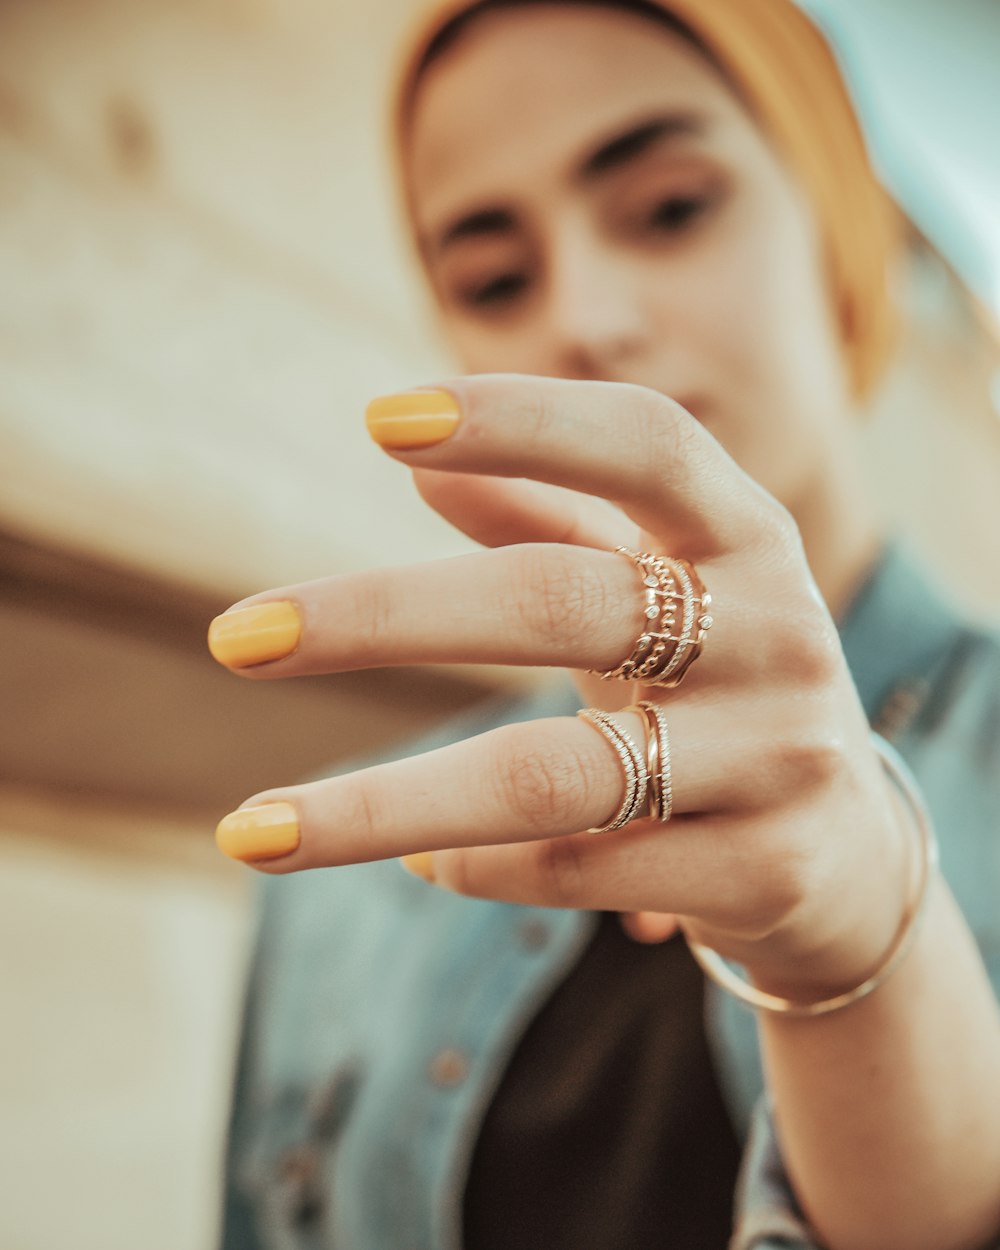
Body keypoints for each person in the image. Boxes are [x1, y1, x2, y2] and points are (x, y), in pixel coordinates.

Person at [209, 2, 1000, 1247]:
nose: (583, 316)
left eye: (672, 207)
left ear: (833, 233)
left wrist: (861, 934)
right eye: (492, 277)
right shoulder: (344, 878)